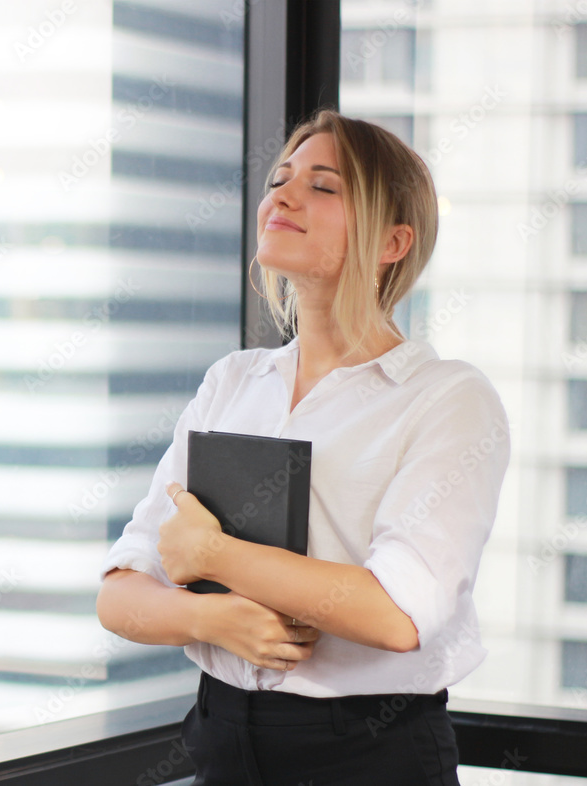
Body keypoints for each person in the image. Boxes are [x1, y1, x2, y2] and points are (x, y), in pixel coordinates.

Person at [96, 110, 510, 786]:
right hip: (222, 744)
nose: (281, 196)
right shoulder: (232, 382)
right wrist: (211, 616)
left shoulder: (447, 397)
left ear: (392, 242)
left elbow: (395, 614)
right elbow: (119, 596)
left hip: (366, 756)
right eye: (279, 180)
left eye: (323, 187)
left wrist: (212, 555)